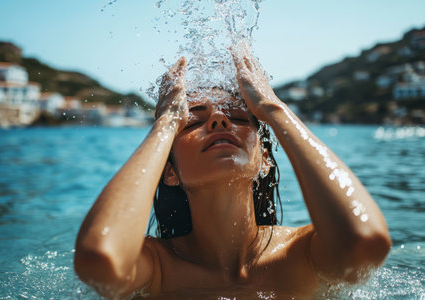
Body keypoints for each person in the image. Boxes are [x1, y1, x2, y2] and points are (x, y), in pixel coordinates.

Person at [74, 48, 391, 299]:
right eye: (194, 123)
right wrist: (167, 121)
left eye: (239, 118)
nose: (219, 122)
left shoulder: (302, 253)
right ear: (169, 172)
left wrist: (272, 107)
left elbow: (365, 242)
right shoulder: (157, 268)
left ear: (264, 159)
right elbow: (100, 259)